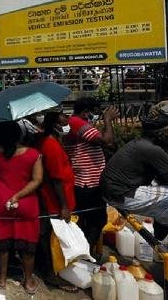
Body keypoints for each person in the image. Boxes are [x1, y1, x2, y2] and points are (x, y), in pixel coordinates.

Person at [101, 109, 168, 257]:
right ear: (160, 133)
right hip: (120, 194)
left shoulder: (143, 143)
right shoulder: (153, 150)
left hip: (117, 191)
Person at [0, 121, 43, 294]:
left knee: (2, 244)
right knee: (27, 246)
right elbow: (37, 180)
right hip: (26, 202)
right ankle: (28, 281)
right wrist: (18, 195)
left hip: (1, 201)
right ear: (20, 135)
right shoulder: (34, 154)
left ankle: (2, 278)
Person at [63, 97, 118, 250]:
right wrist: (108, 119)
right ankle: (84, 251)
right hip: (88, 181)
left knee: (86, 219)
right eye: (95, 113)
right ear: (86, 112)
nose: (97, 115)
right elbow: (108, 140)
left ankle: (83, 251)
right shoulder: (78, 123)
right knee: (97, 219)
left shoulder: (76, 123)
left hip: (84, 180)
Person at [35, 111, 77, 293]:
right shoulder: (50, 145)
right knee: (51, 238)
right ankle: (51, 273)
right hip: (54, 199)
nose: (68, 120)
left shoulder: (48, 140)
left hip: (53, 196)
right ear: (55, 124)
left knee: (48, 236)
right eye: (63, 118)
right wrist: (64, 206)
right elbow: (56, 179)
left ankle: (50, 268)